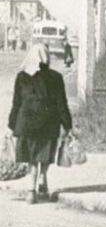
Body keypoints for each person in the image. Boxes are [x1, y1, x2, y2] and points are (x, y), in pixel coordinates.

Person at [6, 44, 73, 204]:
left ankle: (31, 192)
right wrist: (68, 125)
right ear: (47, 57)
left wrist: (11, 125)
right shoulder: (56, 77)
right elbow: (61, 104)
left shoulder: (22, 77)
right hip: (49, 123)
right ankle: (42, 179)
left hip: (27, 123)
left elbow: (16, 103)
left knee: (32, 158)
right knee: (44, 155)